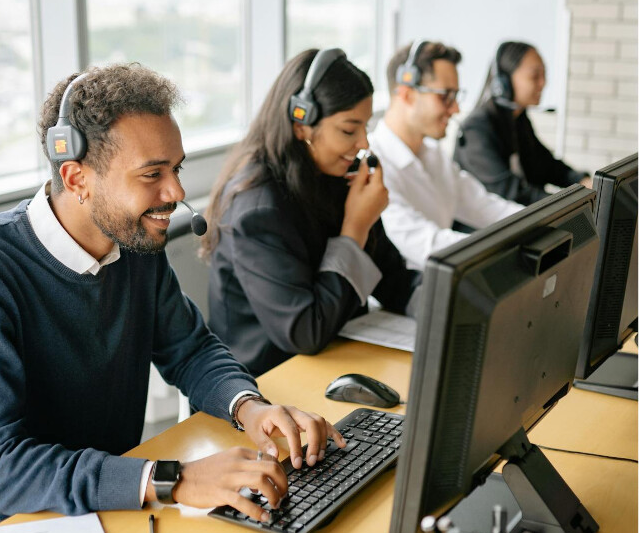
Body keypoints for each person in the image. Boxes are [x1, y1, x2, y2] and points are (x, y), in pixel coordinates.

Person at [0, 64, 344, 533]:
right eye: (152, 174)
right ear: (76, 177)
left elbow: (190, 349)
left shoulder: (135, 246)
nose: (177, 193)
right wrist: (172, 480)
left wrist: (249, 408)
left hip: (102, 508)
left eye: (177, 169)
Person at [202, 48, 421, 378]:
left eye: (365, 126)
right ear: (301, 123)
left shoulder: (332, 179)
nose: (363, 142)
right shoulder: (257, 210)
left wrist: (453, 305)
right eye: (349, 130)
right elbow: (306, 331)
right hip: (269, 386)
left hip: (335, 363)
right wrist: (355, 229)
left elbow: (395, 282)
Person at [370, 40, 524, 270]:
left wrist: (542, 222)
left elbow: (485, 206)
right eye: (445, 97)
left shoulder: (434, 156)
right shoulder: (373, 164)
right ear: (407, 94)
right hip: (400, 300)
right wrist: (506, 247)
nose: (456, 109)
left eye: (456, 96)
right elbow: (427, 244)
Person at [453, 41, 592, 205]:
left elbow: (546, 165)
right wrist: (569, 204)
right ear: (503, 83)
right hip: (482, 226)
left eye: (544, 74)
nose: (543, 83)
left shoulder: (518, 119)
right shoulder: (476, 129)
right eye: (535, 76)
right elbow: (511, 193)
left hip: (515, 219)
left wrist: (583, 181)